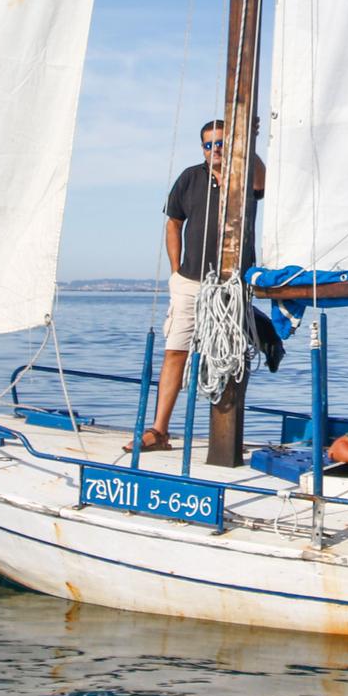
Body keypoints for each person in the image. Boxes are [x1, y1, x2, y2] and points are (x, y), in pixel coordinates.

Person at [130, 118, 264, 452]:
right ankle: (159, 431)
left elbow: (261, 184)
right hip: (190, 281)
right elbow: (173, 223)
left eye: (221, 143)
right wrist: (176, 270)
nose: (215, 149)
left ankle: (226, 439)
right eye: (209, 144)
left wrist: (249, 143)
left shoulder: (244, 175)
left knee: (229, 354)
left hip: (232, 284)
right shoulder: (190, 178)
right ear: (202, 148)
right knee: (175, 351)